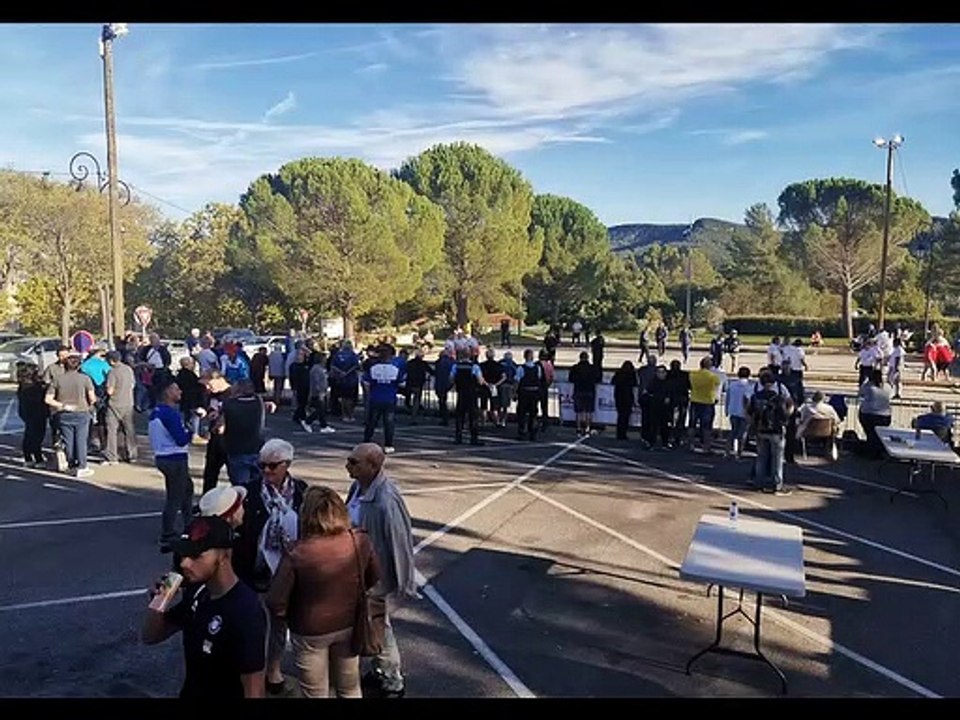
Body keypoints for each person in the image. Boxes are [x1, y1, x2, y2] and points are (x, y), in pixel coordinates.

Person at [266, 487, 380, 698]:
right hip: (349, 624)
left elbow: (276, 601)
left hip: (309, 630)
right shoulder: (359, 540)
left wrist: (288, 616)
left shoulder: (297, 552)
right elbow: (374, 576)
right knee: (350, 688)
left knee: (315, 692)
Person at [141, 515, 267, 698]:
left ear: (223, 556)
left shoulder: (246, 611)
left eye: (195, 555)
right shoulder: (198, 593)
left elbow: (254, 689)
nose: (184, 563)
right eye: (184, 554)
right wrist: (159, 601)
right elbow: (150, 636)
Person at [344, 443, 418, 699]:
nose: (348, 466)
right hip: (357, 571)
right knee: (371, 624)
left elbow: (399, 542)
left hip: (374, 576)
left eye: (354, 462)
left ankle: (392, 679)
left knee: (379, 627)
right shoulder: (358, 487)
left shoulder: (386, 500)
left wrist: (401, 580)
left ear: (373, 466)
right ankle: (380, 671)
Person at [150, 380, 194, 553]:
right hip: (174, 457)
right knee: (176, 495)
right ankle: (167, 533)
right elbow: (181, 439)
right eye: (176, 389)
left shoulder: (157, 412)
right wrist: (190, 432)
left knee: (186, 489)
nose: (180, 391)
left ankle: (189, 523)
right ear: (168, 392)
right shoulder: (170, 414)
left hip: (163, 456)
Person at [44, 351, 97, 478]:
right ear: (79, 366)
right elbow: (92, 398)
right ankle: (82, 466)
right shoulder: (85, 379)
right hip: (82, 412)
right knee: (81, 440)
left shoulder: (58, 379)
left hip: (64, 413)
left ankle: (72, 464)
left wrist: (62, 405)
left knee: (68, 440)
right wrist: (89, 404)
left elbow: (48, 399)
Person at [746, 369, 794, 495]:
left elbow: (749, 411)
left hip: (761, 429)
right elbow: (783, 413)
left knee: (761, 457)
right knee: (777, 459)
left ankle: (758, 482)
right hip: (775, 430)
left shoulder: (756, 396)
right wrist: (786, 420)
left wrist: (753, 424)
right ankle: (776, 484)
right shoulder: (777, 397)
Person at [362, 345, 405, 454]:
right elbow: (402, 383)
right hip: (389, 398)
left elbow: (366, 383)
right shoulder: (395, 369)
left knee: (371, 421)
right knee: (389, 423)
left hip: (375, 397)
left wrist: (369, 393)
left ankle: (366, 441)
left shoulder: (373, 368)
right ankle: (388, 444)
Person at [103, 350, 138, 465]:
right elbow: (132, 385)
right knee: (129, 430)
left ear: (111, 361)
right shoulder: (128, 369)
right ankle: (132, 455)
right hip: (128, 402)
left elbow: (110, 391)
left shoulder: (112, 372)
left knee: (111, 430)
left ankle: (112, 457)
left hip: (114, 404)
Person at [451, 347, 485, 446]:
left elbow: (451, 379)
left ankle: (458, 437)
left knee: (460, 416)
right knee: (473, 416)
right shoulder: (474, 367)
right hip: (472, 393)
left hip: (461, 393)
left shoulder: (456, 366)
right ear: (470, 355)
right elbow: (480, 381)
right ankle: (473, 438)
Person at [16, 363, 47, 467]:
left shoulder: (23, 385)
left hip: (26, 412)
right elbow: (40, 398)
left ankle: (28, 457)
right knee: (37, 435)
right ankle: (38, 458)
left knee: (29, 433)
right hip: (37, 412)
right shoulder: (33, 387)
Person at [687, 357, 721, 452]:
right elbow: (717, 386)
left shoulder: (693, 375)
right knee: (706, 426)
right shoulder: (713, 377)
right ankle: (706, 447)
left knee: (692, 424)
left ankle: (690, 445)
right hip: (707, 402)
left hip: (695, 400)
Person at [858, 369, 892, 459]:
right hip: (885, 415)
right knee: (878, 435)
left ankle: (872, 451)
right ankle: (878, 450)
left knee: (870, 433)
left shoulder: (869, 387)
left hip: (869, 414)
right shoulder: (887, 387)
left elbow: (860, 393)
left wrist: (866, 382)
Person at [568, 351, 601, 437]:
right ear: (587, 358)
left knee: (579, 412)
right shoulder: (592, 368)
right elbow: (597, 378)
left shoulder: (575, 368)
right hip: (589, 391)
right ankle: (587, 428)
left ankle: (578, 428)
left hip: (578, 390)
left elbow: (571, 379)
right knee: (588, 411)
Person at [724, 366, 753, 459]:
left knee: (733, 432)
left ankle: (727, 451)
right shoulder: (749, 387)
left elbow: (727, 398)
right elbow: (748, 400)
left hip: (733, 410)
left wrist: (726, 410)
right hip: (744, 412)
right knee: (742, 433)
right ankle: (739, 452)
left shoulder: (732, 385)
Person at [610, 361, 637, 441]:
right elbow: (635, 383)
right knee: (626, 416)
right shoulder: (631, 374)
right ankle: (623, 433)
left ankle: (619, 433)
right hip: (628, 397)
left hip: (619, 397)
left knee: (620, 416)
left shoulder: (619, 373)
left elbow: (613, 381)